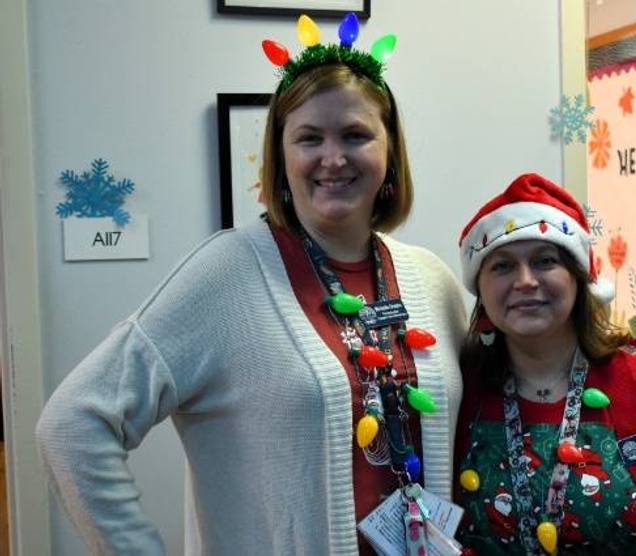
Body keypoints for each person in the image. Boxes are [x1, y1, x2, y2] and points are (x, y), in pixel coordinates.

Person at [35, 13, 468, 556]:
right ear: (281, 157)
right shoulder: (228, 274)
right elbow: (73, 424)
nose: (332, 158)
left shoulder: (431, 280)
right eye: (309, 138)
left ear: (390, 152)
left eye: (356, 135)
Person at [453, 173, 636, 555]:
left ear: (579, 279)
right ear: (480, 289)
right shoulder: (460, 395)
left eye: (545, 260)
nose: (525, 281)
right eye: (502, 266)